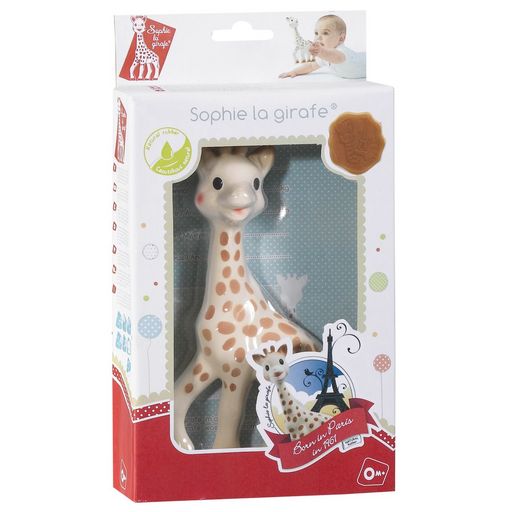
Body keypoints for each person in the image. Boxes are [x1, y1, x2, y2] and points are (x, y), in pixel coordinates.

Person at [279, 15, 365, 79]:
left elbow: (334, 56)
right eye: (316, 33)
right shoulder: (324, 57)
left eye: (325, 33)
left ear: (341, 38)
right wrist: (294, 71)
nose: (318, 37)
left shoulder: (342, 52)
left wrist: (321, 51)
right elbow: (311, 66)